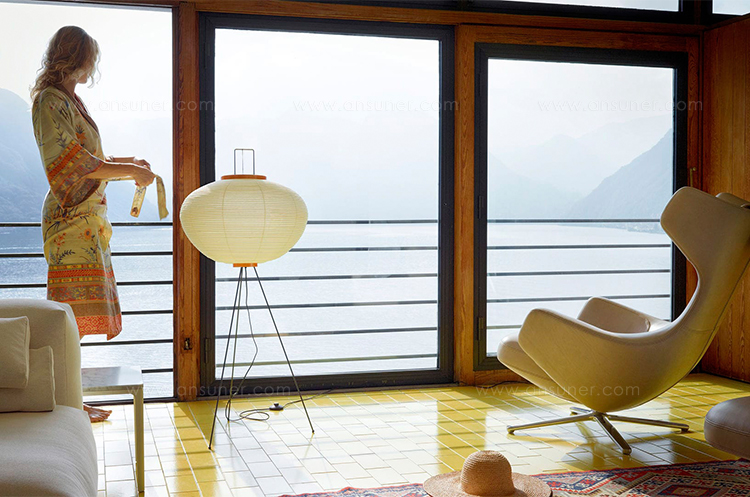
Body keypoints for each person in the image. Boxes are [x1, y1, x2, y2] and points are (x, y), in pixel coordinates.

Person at [30, 26, 155, 422]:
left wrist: (130, 164)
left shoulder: (70, 100)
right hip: (70, 221)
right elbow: (73, 164)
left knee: (76, 318)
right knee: (68, 316)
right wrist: (128, 172)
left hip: (86, 224)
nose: (93, 66)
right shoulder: (50, 100)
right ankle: (68, 402)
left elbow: (91, 158)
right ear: (79, 58)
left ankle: (71, 398)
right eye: (90, 58)